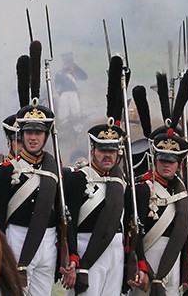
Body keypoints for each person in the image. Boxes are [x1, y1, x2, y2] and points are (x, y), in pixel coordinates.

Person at [0, 100, 69, 296]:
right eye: (28, 133)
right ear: (22, 134)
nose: (33, 138)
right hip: (17, 237)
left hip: (48, 239)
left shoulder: (54, 170)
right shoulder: (7, 171)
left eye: (38, 133)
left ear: (46, 136)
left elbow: (60, 211)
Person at [62, 120, 127, 296]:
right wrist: (73, 255)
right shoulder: (78, 179)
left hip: (116, 251)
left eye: (111, 151)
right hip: (88, 248)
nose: (107, 155)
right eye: (102, 150)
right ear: (92, 151)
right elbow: (70, 221)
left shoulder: (120, 182)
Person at [129, 128, 188, 295]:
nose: (166, 165)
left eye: (171, 161)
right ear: (155, 160)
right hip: (148, 252)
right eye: (162, 160)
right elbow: (134, 231)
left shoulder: (181, 193)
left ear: (179, 164)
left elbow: (185, 234)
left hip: (172, 256)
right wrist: (141, 263)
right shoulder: (143, 188)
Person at [55, 52, 88, 122]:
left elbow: (84, 77)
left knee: (76, 112)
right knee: (63, 114)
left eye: (69, 61)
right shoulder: (60, 73)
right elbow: (57, 85)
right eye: (66, 61)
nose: (67, 63)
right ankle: (64, 126)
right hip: (64, 94)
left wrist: (75, 68)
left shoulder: (75, 71)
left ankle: (78, 127)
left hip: (74, 93)